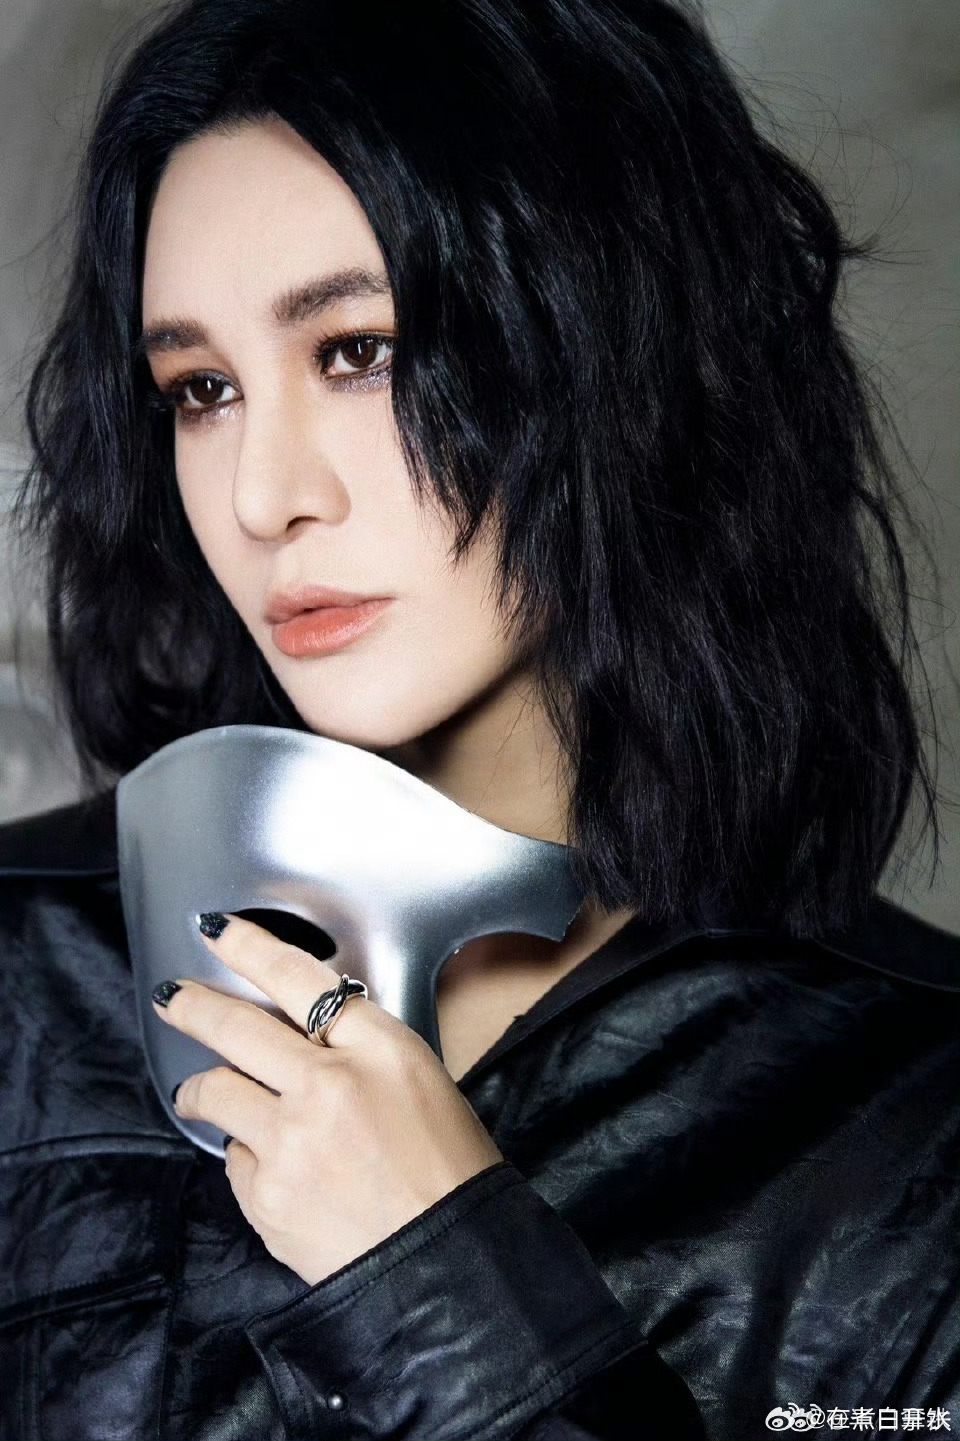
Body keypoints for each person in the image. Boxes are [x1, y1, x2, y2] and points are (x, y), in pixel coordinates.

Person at [0, 0, 955, 1437]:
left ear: (613, 351)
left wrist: (443, 1289)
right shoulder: (25, 968)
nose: (264, 494)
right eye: (200, 389)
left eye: (358, 352)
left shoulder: (911, 1124)